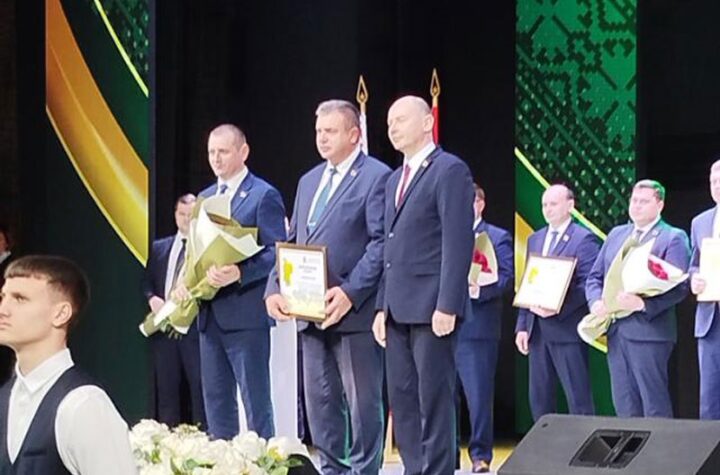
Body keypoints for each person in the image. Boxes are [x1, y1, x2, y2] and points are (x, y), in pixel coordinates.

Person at [265, 100, 390, 474]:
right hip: (309, 313)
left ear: (354, 134)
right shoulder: (309, 180)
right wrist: (274, 288)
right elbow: (292, 241)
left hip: (353, 314)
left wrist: (350, 293)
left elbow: (381, 243)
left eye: (330, 131)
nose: (322, 138)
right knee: (321, 405)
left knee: (361, 405)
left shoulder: (377, 176)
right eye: (319, 131)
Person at [373, 96, 474, 475]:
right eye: (389, 122)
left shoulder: (449, 170)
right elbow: (389, 247)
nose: (393, 128)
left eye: (401, 120)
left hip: (432, 308)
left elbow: (457, 241)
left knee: (434, 398)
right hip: (397, 308)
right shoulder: (392, 180)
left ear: (428, 121)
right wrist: (381, 306)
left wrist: (448, 304)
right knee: (403, 400)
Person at [187, 124, 287, 439]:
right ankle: (223, 459)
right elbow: (195, 252)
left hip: (246, 316)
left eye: (223, 151)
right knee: (216, 402)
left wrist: (241, 272)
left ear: (243, 152)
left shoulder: (263, 195)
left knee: (255, 402)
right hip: (209, 316)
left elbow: (277, 252)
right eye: (211, 152)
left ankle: (262, 461)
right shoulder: (204, 197)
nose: (216, 159)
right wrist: (186, 282)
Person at [0, 255, 136, 474]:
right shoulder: (5, 398)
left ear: (61, 314)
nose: (3, 309)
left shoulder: (84, 404)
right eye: (3, 297)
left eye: (20, 299)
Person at [586, 179, 690, 418]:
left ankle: (660, 444)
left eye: (644, 201)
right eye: (634, 200)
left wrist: (644, 304)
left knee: (653, 402)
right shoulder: (617, 234)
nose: (636, 206)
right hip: (616, 331)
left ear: (660, 205)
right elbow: (594, 277)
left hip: (650, 332)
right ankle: (629, 445)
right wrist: (595, 302)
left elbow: (680, 287)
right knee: (623, 402)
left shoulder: (672, 237)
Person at [515, 184, 598, 421]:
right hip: (537, 331)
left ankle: (584, 441)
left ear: (570, 205)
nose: (547, 209)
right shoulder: (535, 238)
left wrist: (558, 306)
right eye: (544, 204)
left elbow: (588, 283)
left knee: (577, 396)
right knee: (539, 397)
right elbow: (528, 282)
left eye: (553, 204)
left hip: (566, 328)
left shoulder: (584, 238)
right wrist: (522, 326)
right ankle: (543, 443)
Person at [455, 184, 513, 473]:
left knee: (478, 396)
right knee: (443, 396)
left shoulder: (497, 237)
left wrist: (478, 290)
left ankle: (480, 455)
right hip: (444, 326)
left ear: (480, 204)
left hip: (477, 329)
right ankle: (447, 453)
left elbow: (506, 278)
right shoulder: (446, 234)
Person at [142, 194, 205, 427]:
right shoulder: (160, 247)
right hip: (164, 330)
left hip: (193, 330)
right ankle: (167, 438)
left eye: (191, 214)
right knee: (167, 389)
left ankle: (204, 438)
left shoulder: (204, 249)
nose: (186, 219)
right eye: (182, 214)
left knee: (199, 388)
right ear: (175, 215)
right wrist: (152, 298)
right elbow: (146, 281)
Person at [689, 159, 720, 419]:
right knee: (709, 398)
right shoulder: (700, 222)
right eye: (713, 182)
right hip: (710, 320)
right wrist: (694, 279)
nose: (717, 186)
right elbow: (693, 265)